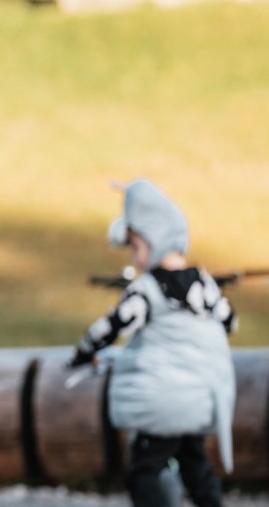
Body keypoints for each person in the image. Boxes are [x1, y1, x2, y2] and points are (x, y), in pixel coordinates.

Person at [67, 178, 236, 507]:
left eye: (136, 246)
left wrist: (82, 354)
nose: (134, 256)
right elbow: (230, 321)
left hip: (163, 400)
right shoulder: (204, 284)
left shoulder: (146, 291)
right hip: (198, 396)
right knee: (195, 465)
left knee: (145, 469)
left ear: (153, 240)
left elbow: (110, 326)